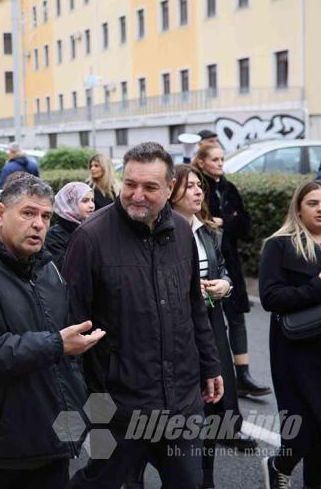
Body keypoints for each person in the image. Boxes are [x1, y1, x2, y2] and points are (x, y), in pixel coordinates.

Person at [65, 142, 222, 489]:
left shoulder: (182, 232)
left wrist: (210, 365)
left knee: (189, 483)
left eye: (150, 187)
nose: (136, 195)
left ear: (170, 188)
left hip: (181, 401)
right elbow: (72, 327)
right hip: (119, 407)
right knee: (101, 482)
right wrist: (88, 401)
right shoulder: (89, 238)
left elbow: (193, 307)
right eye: (130, 184)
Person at [0, 176, 105, 488]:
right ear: (0, 213)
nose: (39, 224)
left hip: (48, 440)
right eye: (28, 213)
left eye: (45, 216)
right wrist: (56, 345)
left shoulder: (47, 267)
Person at [126, 165, 249, 489]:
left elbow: (223, 270)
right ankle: (133, 475)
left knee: (209, 410)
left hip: (210, 330)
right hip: (172, 334)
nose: (198, 191)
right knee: (156, 418)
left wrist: (224, 285)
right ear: (170, 191)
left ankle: (204, 479)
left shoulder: (208, 231)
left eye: (200, 186)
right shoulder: (152, 232)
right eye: (190, 185)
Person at [259, 180, 321, 489]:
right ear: (299, 209)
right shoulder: (280, 244)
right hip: (296, 351)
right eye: (313, 203)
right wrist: (320, 286)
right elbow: (271, 298)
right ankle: (279, 465)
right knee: (300, 433)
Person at [193, 145, 271, 398]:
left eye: (222, 159)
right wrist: (228, 218)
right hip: (206, 262)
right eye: (214, 159)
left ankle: (243, 374)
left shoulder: (228, 188)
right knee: (212, 321)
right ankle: (213, 373)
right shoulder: (198, 187)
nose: (220, 163)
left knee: (237, 316)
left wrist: (225, 220)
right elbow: (202, 220)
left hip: (231, 260)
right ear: (202, 162)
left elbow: (245, 226)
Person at [45, 182, 94, 269]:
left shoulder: (93, 228)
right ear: (70, 203)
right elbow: (65, 269)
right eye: (85, 201)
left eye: (92, 200)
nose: (91, 205)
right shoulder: (54, 236)